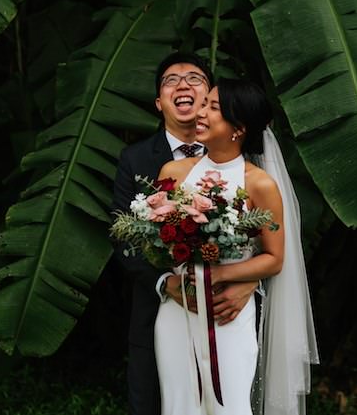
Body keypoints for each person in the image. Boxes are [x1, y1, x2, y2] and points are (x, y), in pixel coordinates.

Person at [154, 78, 318, 415]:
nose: (200, 112)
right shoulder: (173, 172)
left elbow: (274, 258)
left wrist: (219, 273)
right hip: (177, 310)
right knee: (178, 405)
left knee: (228, 406)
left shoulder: (259, 184)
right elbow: (155, 241)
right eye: (205, 103)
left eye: (213, 108)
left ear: (237, 129)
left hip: (226, 311)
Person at [112, 53, 258, 415]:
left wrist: (249, 284)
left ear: (212, 98)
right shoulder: (137, 159)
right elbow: (124, 238)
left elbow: (270, 234)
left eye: (195, 78)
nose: (182, 84)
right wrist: (167, 283)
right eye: (170, 80)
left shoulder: (246, 157)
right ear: (159, 102)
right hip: (163, 310)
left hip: (229, 309)